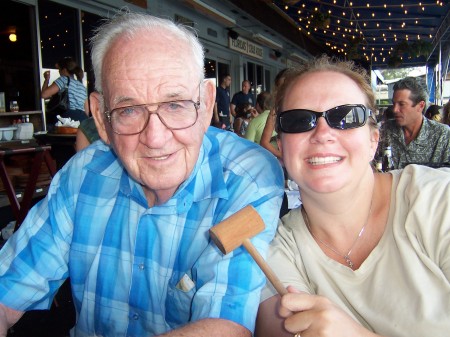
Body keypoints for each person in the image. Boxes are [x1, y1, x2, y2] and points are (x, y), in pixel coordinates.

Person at [0, 12, 285, 337]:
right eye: (129, 110)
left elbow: (227, 326)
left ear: (206, 105)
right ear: (101, 119)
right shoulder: (82, 174)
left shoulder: (247, 176)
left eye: (175, 105)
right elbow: (10, 284)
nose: (155, 138)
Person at [255, 56, 450, 337]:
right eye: (299, 120)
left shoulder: (436, 198)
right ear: (281, 146)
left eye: (346, 117)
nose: (322, 133)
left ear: (374, 139)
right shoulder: (276, 250)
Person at [376, 76, 450, 168]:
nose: (395, 110)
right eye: (394, 103)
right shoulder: (384, 131)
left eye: (401, 104)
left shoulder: (442, 135)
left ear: (420, 106)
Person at [41, 56, 89, 127]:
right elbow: (87, 110)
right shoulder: (82, 86)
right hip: (82, 119)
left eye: (59, 70)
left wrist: (46, 80)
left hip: (68, 118)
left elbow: (44, 95)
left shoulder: (63, 80)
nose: (59, 72)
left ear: (64, 69)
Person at [260, 69, 289, 161]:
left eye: (285, 87)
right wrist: (284, 157)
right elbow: (264, 142)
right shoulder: (275, 111)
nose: (281, 92)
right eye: (279, 88)